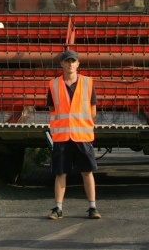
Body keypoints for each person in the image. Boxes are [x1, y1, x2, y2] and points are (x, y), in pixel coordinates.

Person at [46, 49, 101, 220]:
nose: (70, 64)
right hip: (62, 136)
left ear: (78, 64)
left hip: (81, 136)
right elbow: (52, 109)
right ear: (62, 64)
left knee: (87, 171)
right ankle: (58, 208)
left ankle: (93, 207)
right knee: (60, 173)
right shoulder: (53, 85)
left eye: (73, 61)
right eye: (67, 61)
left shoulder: (87, 83)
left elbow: (92, 111)